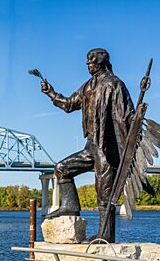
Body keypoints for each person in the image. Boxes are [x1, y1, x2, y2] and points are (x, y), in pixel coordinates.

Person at [40, 48, 134, 242]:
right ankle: (70, 206)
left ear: (101, 62)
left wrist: (138, 116)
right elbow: (68, 104)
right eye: (87, 62)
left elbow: (127, 116)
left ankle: (105, 235)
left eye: (91, 62)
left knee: (104, 192)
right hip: (91, 145)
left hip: (108, 147)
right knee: (62, 168)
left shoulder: (114, 84)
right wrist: (51, 93)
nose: (88, 65)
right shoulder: (88, 86)